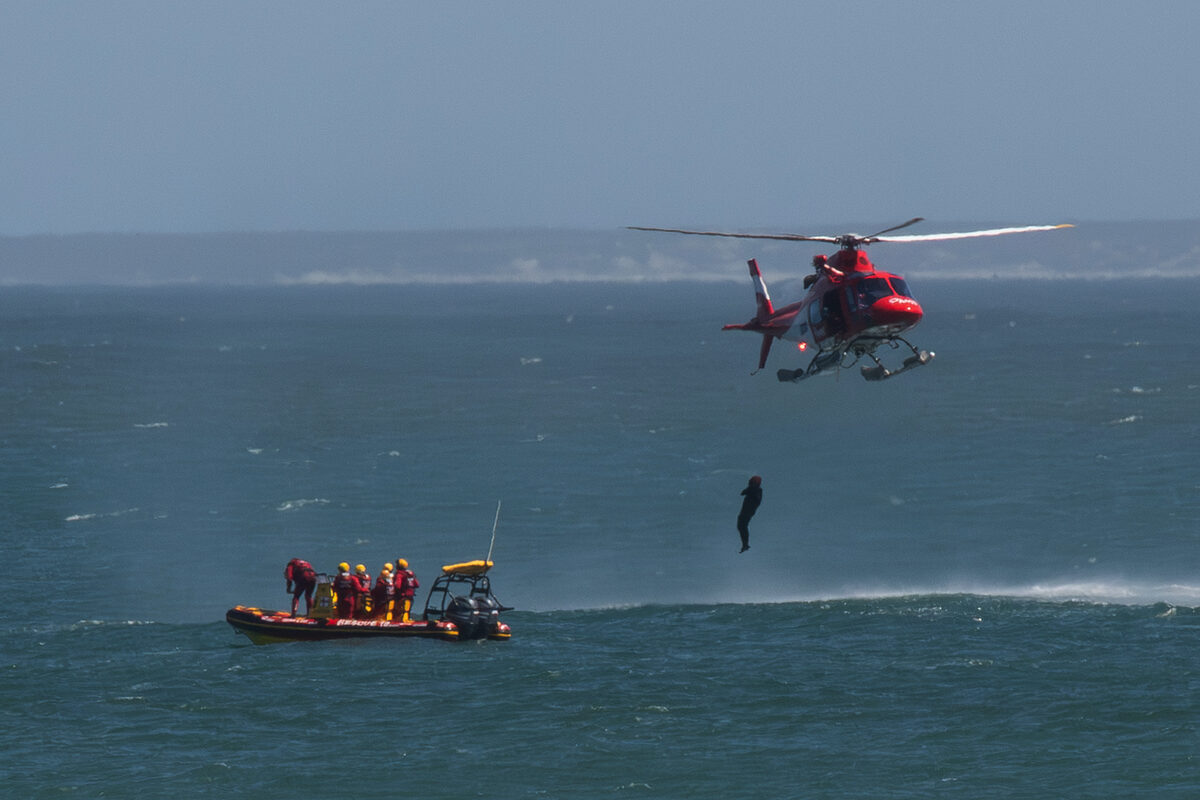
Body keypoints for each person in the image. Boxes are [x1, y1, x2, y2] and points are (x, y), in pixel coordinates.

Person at [737, 475, 763, 553]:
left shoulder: (756, 490)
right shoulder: (756, 490)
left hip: (747, 512)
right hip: (747, 511)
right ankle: (745, 544)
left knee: (742, 526)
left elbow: (744, 492)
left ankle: (745, 544)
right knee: (741, 526)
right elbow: (743, 492)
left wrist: (751, 488)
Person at [394, 558, 420, 622]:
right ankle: (406, 619)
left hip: (402, 596)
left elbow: (397, 586)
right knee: (407, 611)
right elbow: (417, 585)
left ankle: (401, 621)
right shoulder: (410, 574)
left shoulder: (399, 574)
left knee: (400, 611)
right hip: (410, 596)